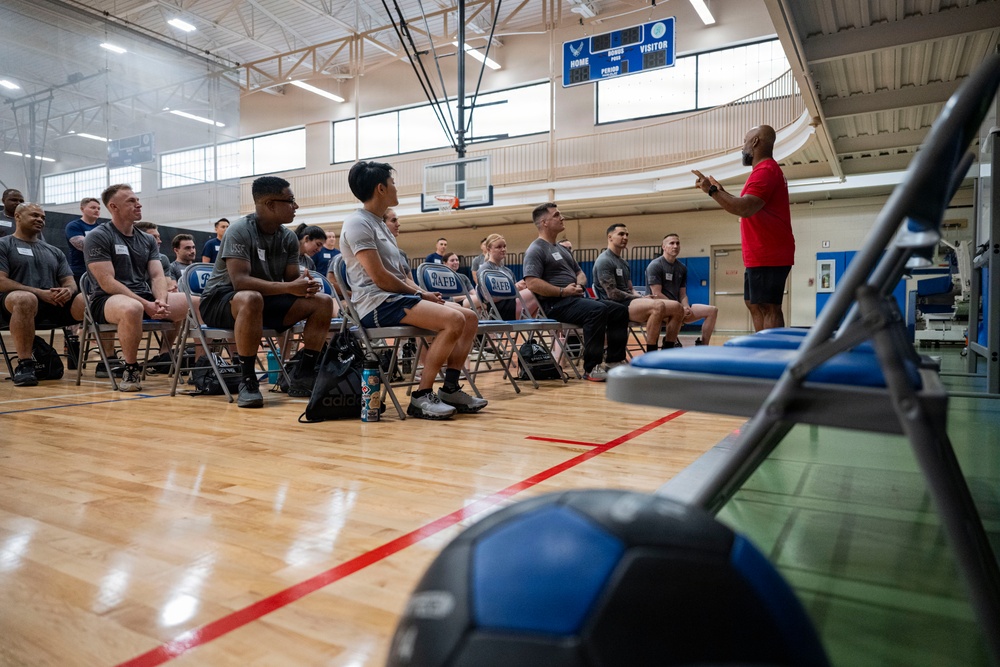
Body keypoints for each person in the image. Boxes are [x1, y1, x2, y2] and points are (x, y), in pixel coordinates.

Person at [341, 161, 486, 419]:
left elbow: (401, 276)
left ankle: (450, 389)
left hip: (396, 298)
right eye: (393, 183)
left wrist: (421, 292)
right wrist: (420, 295)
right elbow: (379, 277)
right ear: (380, 189)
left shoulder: (381, 226)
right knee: (453, 319)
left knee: (470, 317)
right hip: (376, 304)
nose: (396, 188)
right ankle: (421, 396)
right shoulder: (357, 223)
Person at [199, 177, 333, 408]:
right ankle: (248, 380)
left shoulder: (289, 237)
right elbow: (240, 282)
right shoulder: (239, 230)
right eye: (290, 200)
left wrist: (304, 284)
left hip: (263, 301)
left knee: (323, 302)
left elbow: (291, 279)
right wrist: (290, 287)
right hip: (221, 300)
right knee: (251, 297)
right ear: (270, 204)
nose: (296, 206)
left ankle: (304, 374)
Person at [84, 184, 187, 391]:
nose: (138, 204)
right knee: (133, 308)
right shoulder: (98, 236)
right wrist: (146, 304)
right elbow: (107, 283)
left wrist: (160, 300)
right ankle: (131, 369)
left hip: (146, 297)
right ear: (114, 207)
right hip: (106, 300)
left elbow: (157, 275)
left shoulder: (147, 239)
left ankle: (204, 366)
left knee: (195, 302)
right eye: (131, 201)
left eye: (137, 200)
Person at [692, 124, 794, 331]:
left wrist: (712, 191)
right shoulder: (763, 171)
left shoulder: (766, 171)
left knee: (769, 306)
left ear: (755, 142)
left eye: (744, 141)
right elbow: (746, 204)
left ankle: (771, 354)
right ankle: (762, 348)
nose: (742, 147)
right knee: (754, 304)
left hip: (769, 251)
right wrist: (721, 192)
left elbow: (745, 208)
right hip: (760, 252)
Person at [522, 203, 629, 381]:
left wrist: (578, 284)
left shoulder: (562, 249)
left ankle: (614, 361)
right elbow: (532, 283)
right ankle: (591, 367)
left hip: (573, 300)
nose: (562, 218)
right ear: (545, 222)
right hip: (555, 304)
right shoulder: (536, 249)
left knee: (619, 310)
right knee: (597, 310)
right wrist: (563, 291)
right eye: (556, 215)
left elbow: (580, 273)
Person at [0, 203, 84, 386]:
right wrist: (39, 293)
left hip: (52, 304)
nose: (40, 220)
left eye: (43, 217)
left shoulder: (53, 251)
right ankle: (25, 365)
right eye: (34, 215)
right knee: (25, 298)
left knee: (88, 299)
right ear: (18, 216)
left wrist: (68, 291)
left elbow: (69, 281)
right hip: (11, 306)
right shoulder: (4, 245)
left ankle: (109, 361)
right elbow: (1, 281)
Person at [592, 223, 682, 352]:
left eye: (627, 234)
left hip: (629, 302)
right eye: (621, 234)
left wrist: (641, 297)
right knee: (658, 305)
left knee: (678, 308)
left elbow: (630, 287)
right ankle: (651, 353)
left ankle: (668, 349)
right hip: (614, 305)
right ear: (610, 237)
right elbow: (612, 294)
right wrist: (639, 298)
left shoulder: (623, 263)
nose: (625, 237)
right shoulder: (604, 260)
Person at [647, 233, 718, 345]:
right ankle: (670, 342)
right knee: (677, 313)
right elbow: (656, 294)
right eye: (672, 243)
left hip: (678, 308)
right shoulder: (655, 265)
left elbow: (683, 294)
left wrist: (685, 306)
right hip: (660, 308)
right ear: (663, 247)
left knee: (712, 310)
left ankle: (703, 346)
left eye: (677, 243)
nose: (675, 246)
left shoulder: (681, 268)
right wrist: (679, 307)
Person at [477, 233, 539, 320]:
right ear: (489, 249)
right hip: (498, 310)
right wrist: (514, 289)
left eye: (504, 246)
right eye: (498, 247)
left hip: (512, 305)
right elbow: (488, 298)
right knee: (538, 289)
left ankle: (557, 332)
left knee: (542, 301)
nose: (503, 249)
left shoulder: (507, 271)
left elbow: (515, 292)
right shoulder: (485, 269)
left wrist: (522, 286)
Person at [64, 197, 102, 285]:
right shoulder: (74, 226)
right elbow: (83, 246)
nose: (96, 210)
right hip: (80, 270)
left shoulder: (102, 228)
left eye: (98, 208)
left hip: (99, 269)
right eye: (93, 208)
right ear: (82, 209)